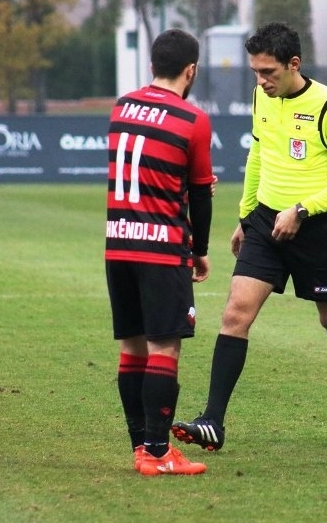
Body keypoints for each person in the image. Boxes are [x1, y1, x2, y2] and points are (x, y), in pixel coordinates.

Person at [171, 22, 327, 451]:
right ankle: (212, 421)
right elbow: (259, 153)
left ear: (293, 64)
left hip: (316, 229)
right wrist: (246, 217)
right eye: (256, 72)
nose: (261, 81)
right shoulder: (263, 95)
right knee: (235, 314)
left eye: (268, 72)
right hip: (265, 224)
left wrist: (302, 210)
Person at [105, 29, 216, 476]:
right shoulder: (192, 119)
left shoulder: (121, 107)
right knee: (164, 347)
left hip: (118, 244)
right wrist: (199, 250)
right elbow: (201, 194)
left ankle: (141, 448)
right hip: (161, 248)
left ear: (152, 66)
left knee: (132, 347)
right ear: (191, 70)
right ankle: (157, 452)